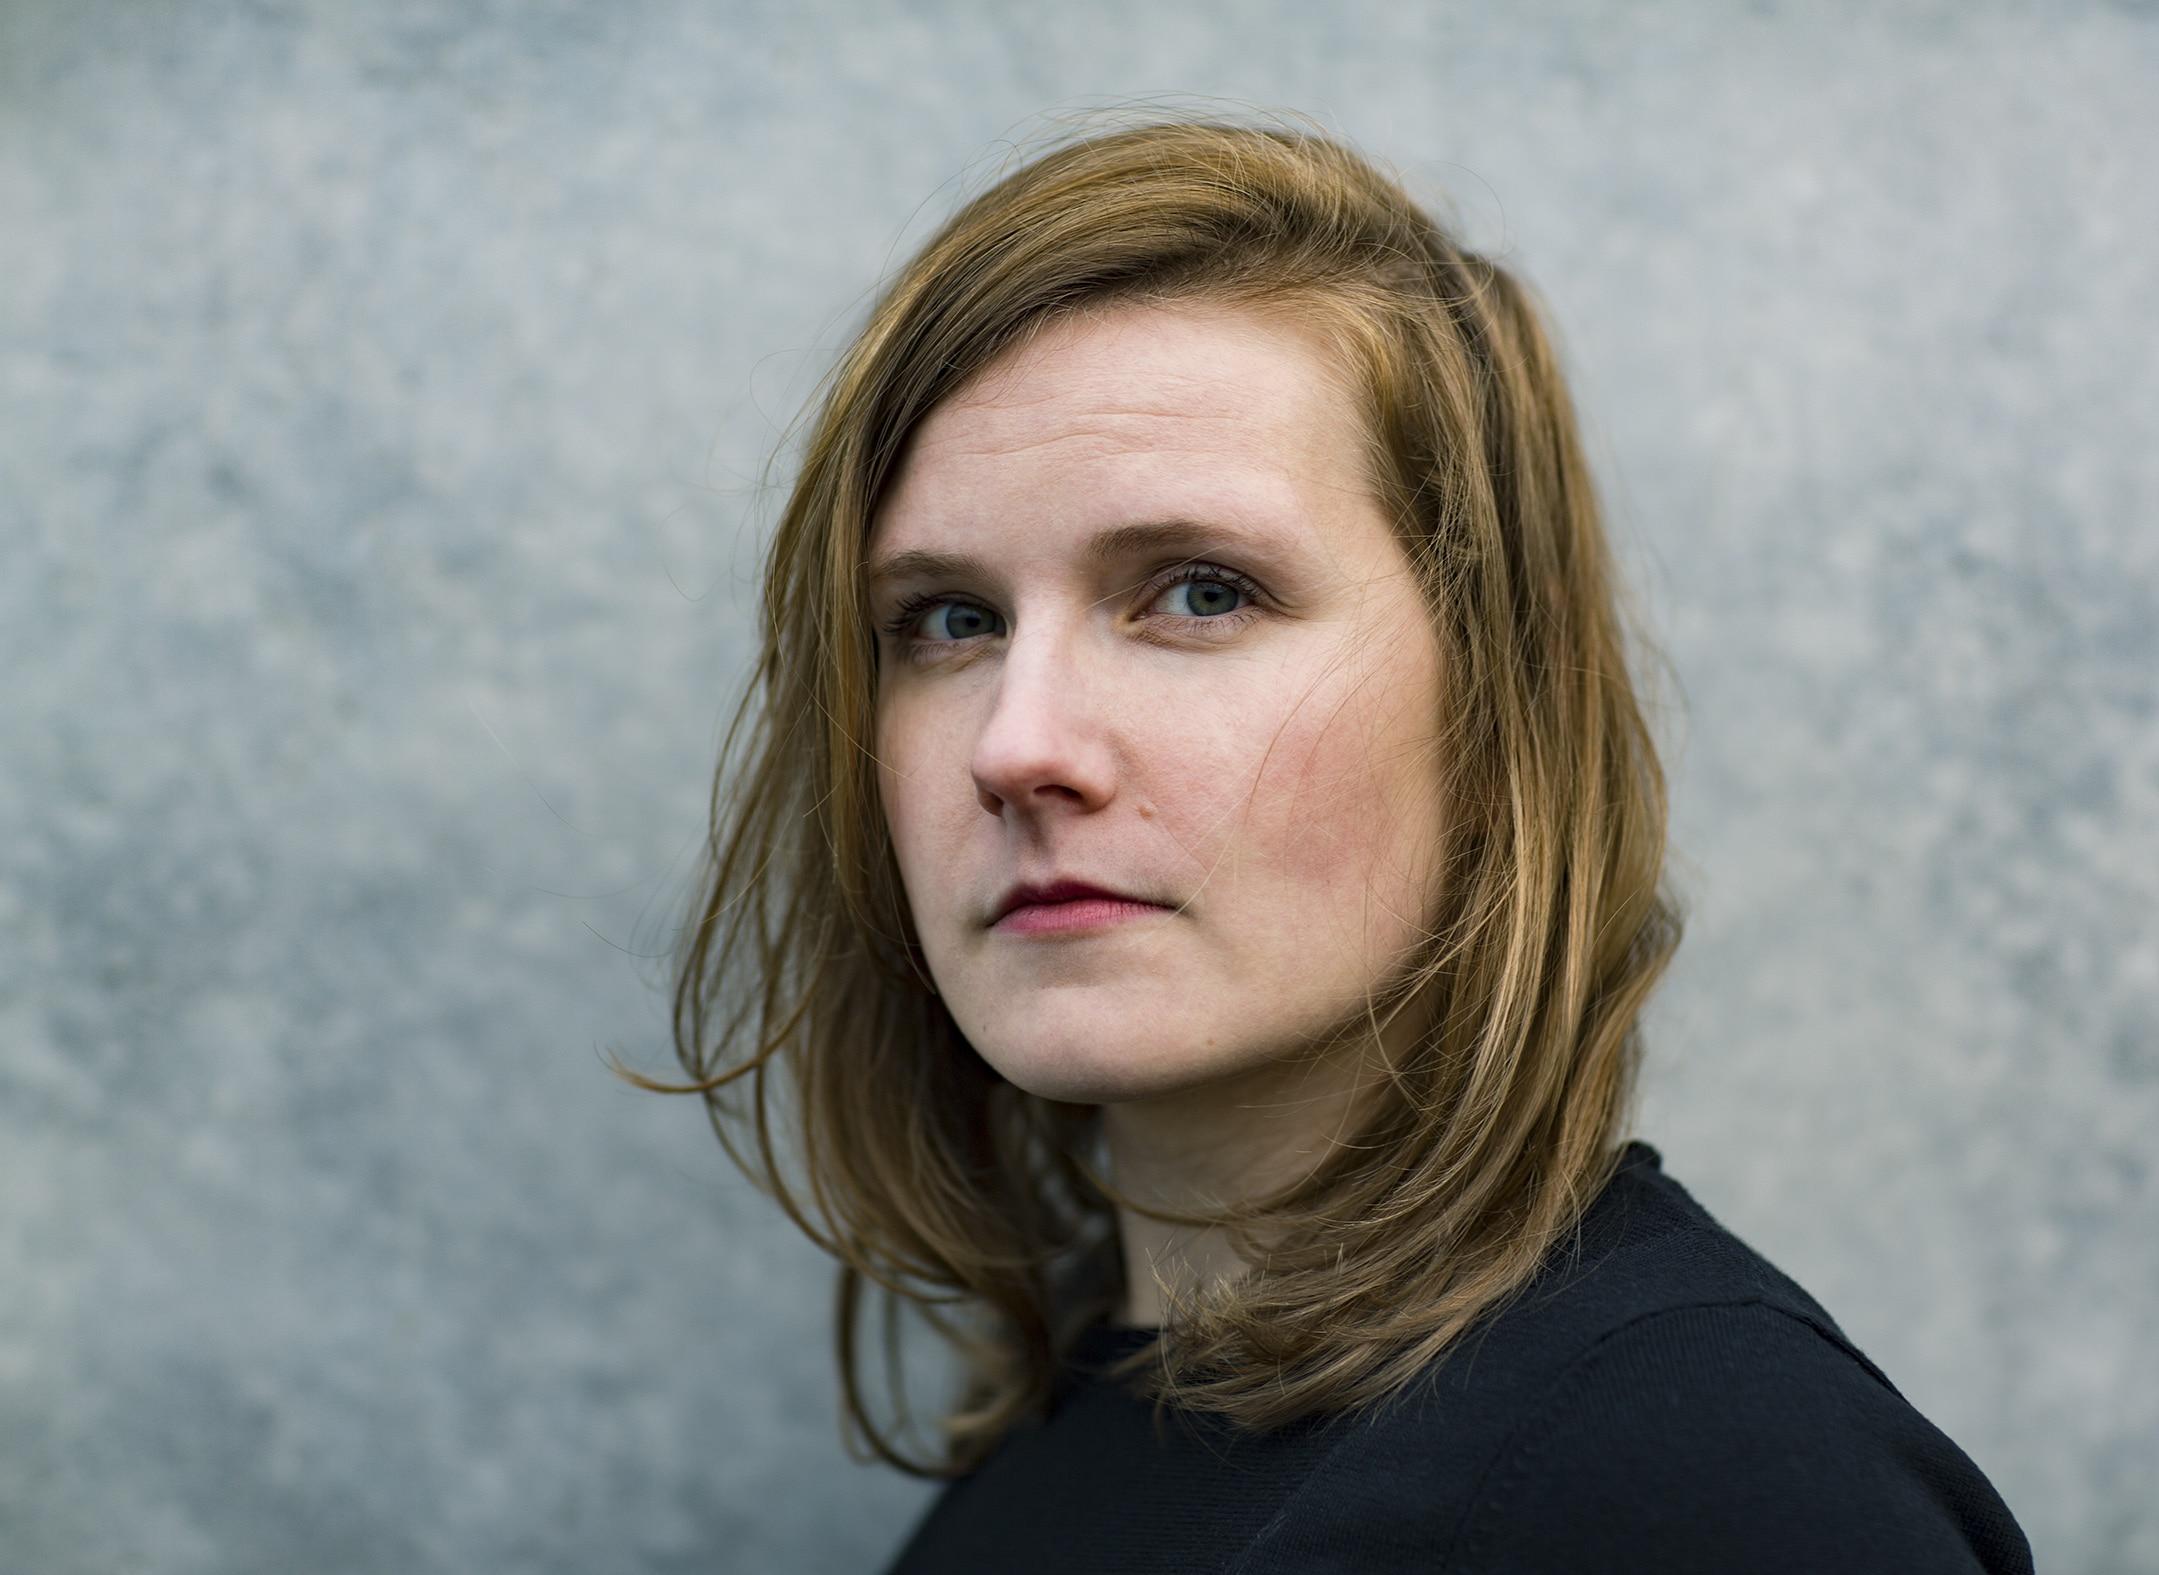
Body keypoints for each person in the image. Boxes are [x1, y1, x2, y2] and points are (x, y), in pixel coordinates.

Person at [625, 113, 2037, 1573]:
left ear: (1493, 707)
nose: (1015, 744)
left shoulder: (1698, 1480)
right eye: (949, 620)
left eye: (1201, 592)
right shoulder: (1076, 1441)